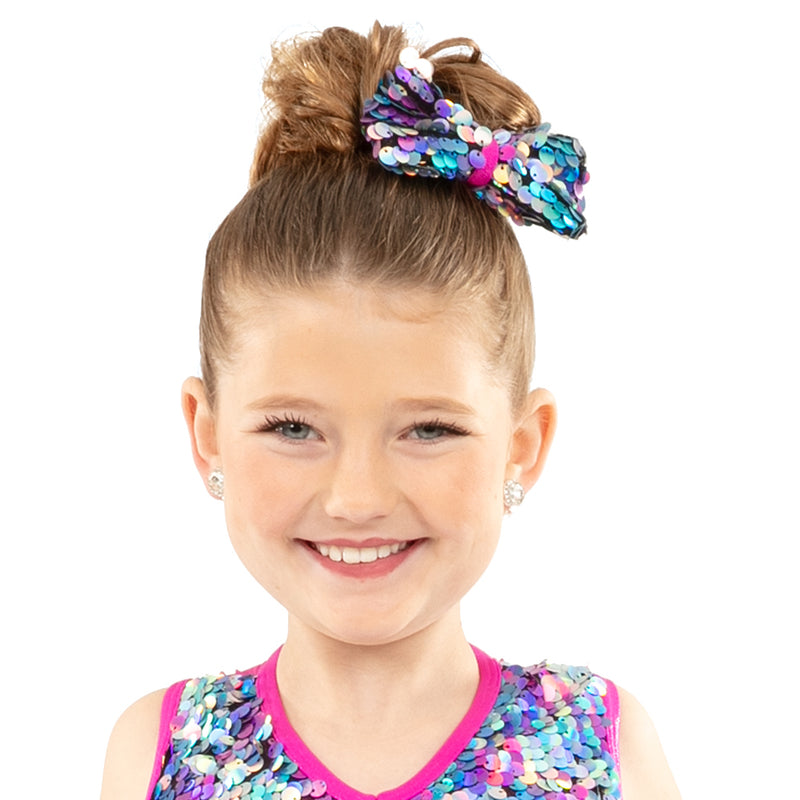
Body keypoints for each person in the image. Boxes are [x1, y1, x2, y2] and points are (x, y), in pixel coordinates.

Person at [100, 22, 681, 800]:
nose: (358, 498)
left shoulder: (604, 746)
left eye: (429, 429)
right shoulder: (158, 750)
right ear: (207, 436)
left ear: (522, 445)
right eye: (293, 428)